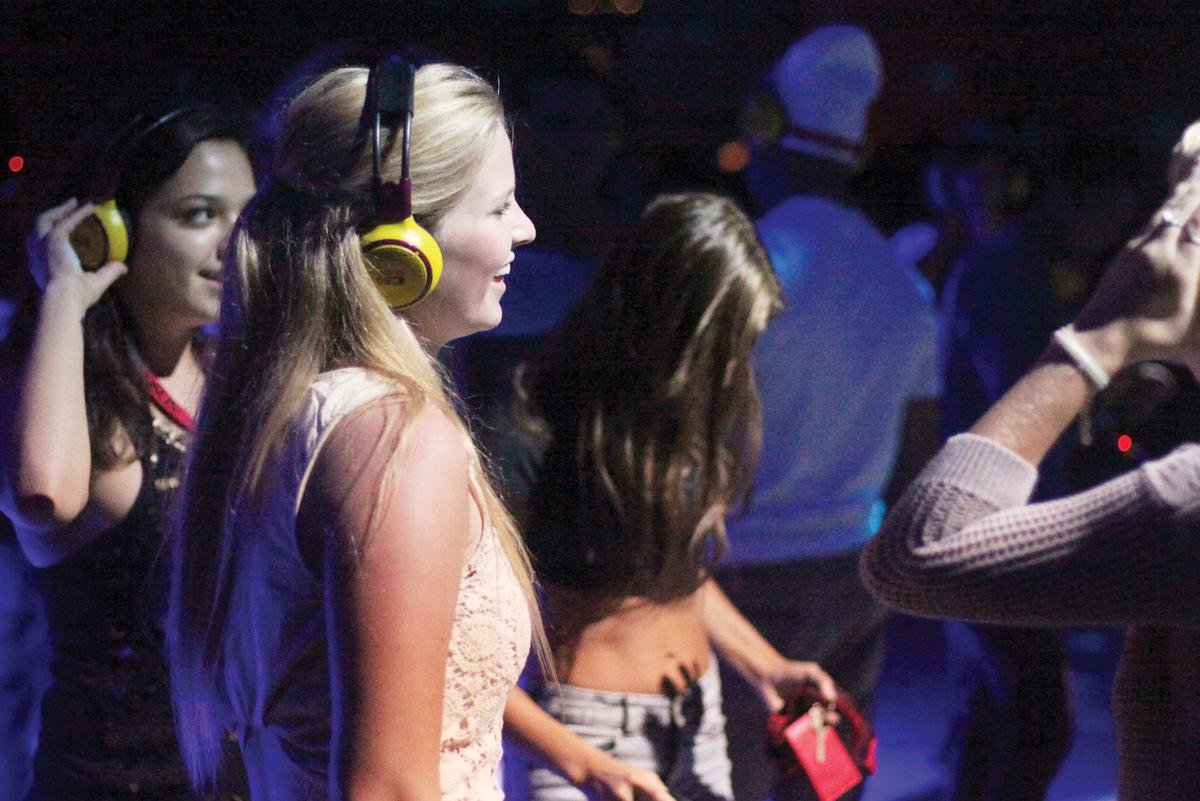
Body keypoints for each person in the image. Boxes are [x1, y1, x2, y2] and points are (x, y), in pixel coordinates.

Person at [169, 61, 543, 801]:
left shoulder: (295, 404)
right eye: (499, 207)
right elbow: (392, 788)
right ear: (403, 245)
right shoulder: (393, 437)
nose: (525, 229)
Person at [860, 148, 1200, 801]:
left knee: (1027, 713)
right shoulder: (1006, 268)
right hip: (1012, 501)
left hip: (1000, 503)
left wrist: (1100, 336)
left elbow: (913, 556)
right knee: (1021, 709)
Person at [486, 192, 837, 801]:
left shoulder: (686, 423)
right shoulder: (534, 429)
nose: (735, 368)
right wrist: (584, 763)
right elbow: (461, 654)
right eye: (724, 345)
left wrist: (766, 666)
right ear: (667, 327)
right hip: (581, 738)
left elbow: (677, 571)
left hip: (697, 722)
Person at [0, 104, 255, 800]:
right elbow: (42, 494)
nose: (235, 242)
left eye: (246, 214)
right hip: (110, 782)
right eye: (200, 215)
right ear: (111, 231)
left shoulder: (238, 375)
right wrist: (63, 295)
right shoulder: (58, 380)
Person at [718, 24, 940, 801]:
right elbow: (918, 452)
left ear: (768, 128)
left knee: (737, 777)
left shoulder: (748, 266)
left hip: (744, 576)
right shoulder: (902, 283)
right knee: (825, 776)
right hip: (855, 567)